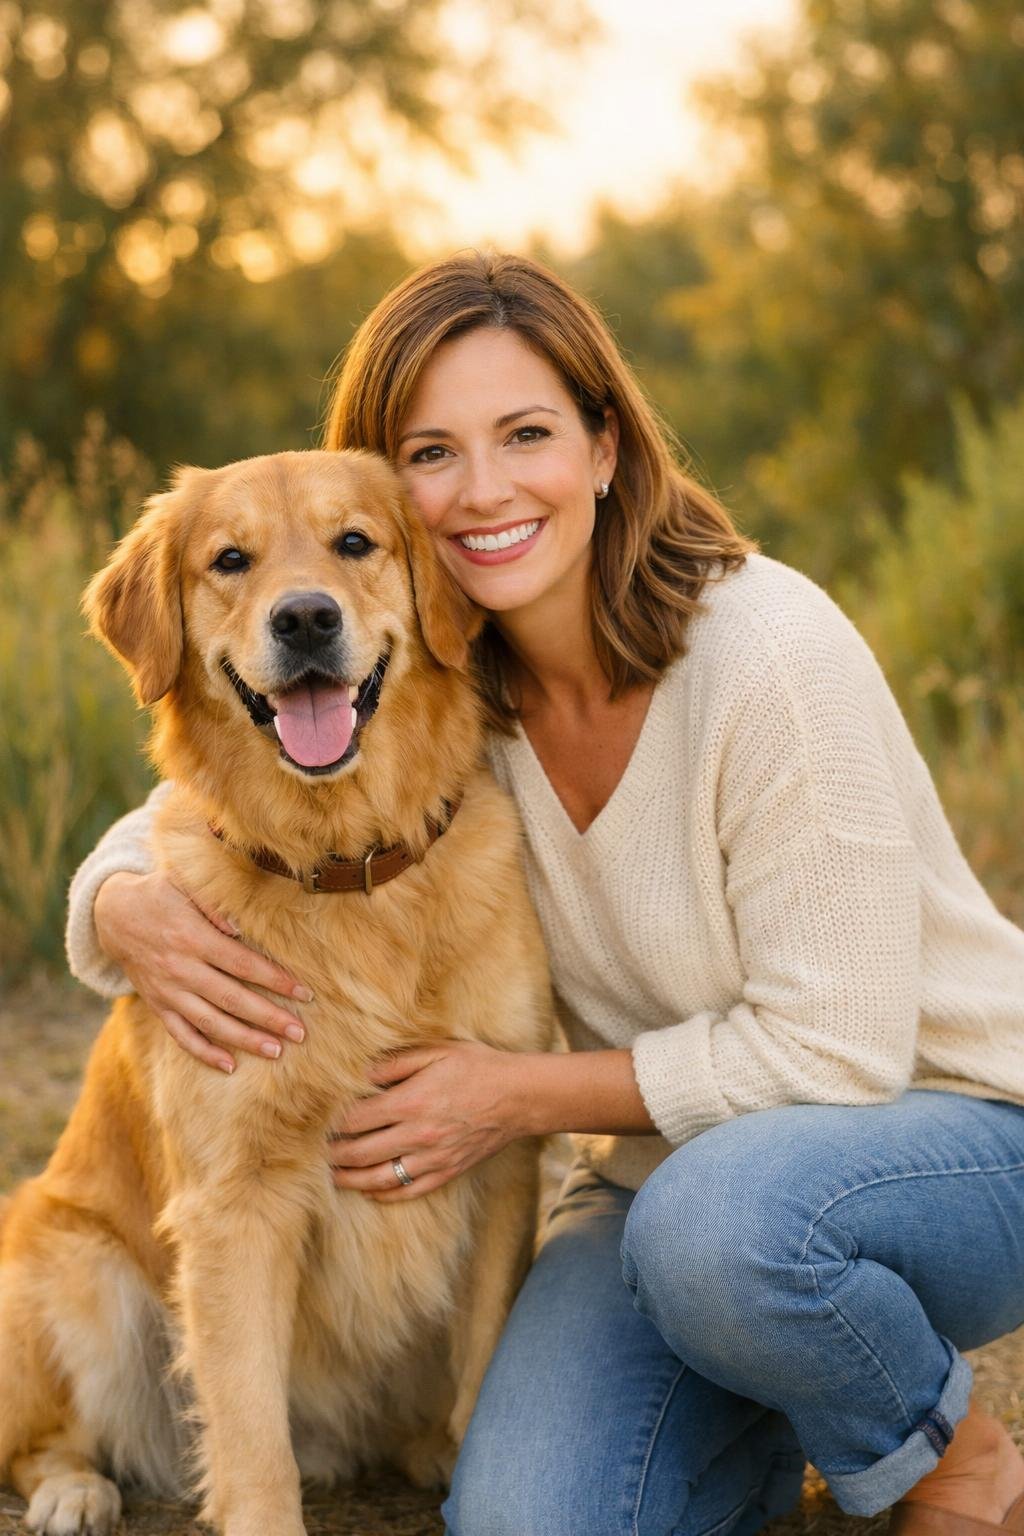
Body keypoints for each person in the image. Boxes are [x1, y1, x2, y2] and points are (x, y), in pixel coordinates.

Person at [66, 251, 1024, 1536]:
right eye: (433, 452)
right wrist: (115, 898)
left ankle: (950, 1453)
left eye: (525, 435)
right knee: (526, 1514)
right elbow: (231, 790)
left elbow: (838, 1054)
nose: (483, 488)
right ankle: (753, 1406)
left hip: (943, 1131)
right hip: (661, 1181)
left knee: (716, 1230)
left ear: (605, 448)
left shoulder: (768, 659)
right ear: (400, 492)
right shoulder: (446, 677)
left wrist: (514, 1093)